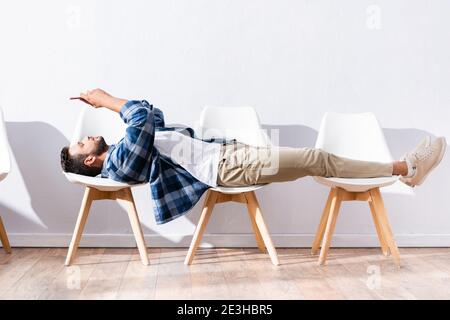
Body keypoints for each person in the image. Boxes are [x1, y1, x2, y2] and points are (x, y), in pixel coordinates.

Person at [60, 89, 447, 224]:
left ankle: (403, 168)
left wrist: (113, 105)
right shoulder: (120, 162)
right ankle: (405, 168)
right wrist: (106, 99)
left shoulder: (130, 145)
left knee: (316, 160)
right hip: (227, 168)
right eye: (82, 144)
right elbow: (141, 116)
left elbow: (153, 115)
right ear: (91, 162)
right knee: (317, 158)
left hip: (229, 153)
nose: (89, 136)